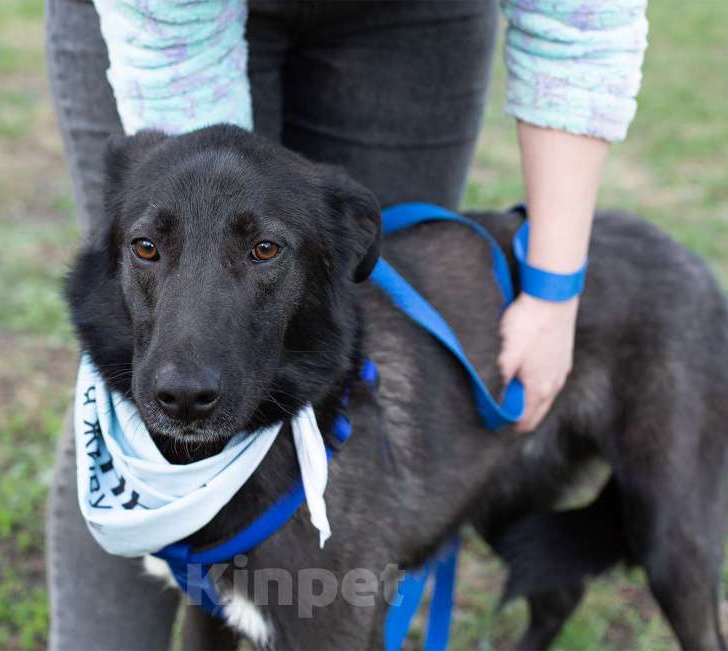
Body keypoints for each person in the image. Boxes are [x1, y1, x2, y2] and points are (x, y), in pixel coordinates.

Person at [44, 1, 648, 648]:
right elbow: (201, 214)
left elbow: (582, 21)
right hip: (168, 22)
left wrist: (554, 296)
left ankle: (330, 605)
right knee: (140, 425)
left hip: (406, 24)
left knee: (354, 414)